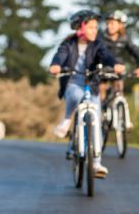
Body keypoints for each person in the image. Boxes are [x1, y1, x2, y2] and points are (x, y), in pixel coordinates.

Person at [49, 10, 125, 178]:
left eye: (96, 27)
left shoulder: (97, 44)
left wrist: (115, 65)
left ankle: (96, 163)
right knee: (75, 96)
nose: (95, 31)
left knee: (96, 120)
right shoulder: (69, 44)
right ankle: (67, 120)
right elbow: (59, 56)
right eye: (91, 27)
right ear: (81, 28)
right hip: (73, 82)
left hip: (91, 84)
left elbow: (106, 56)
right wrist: (56, 65)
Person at [98, 10, 139, 117]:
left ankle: (122, 118)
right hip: (103, 68)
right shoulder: (100, 37)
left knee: (119, 89)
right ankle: (102, 114)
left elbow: (136, 51)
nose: (109, 26)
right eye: (108, 23)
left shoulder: (124, 38)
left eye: (112, 23)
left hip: (118, 69)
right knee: (101, 89)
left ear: (120, 25)